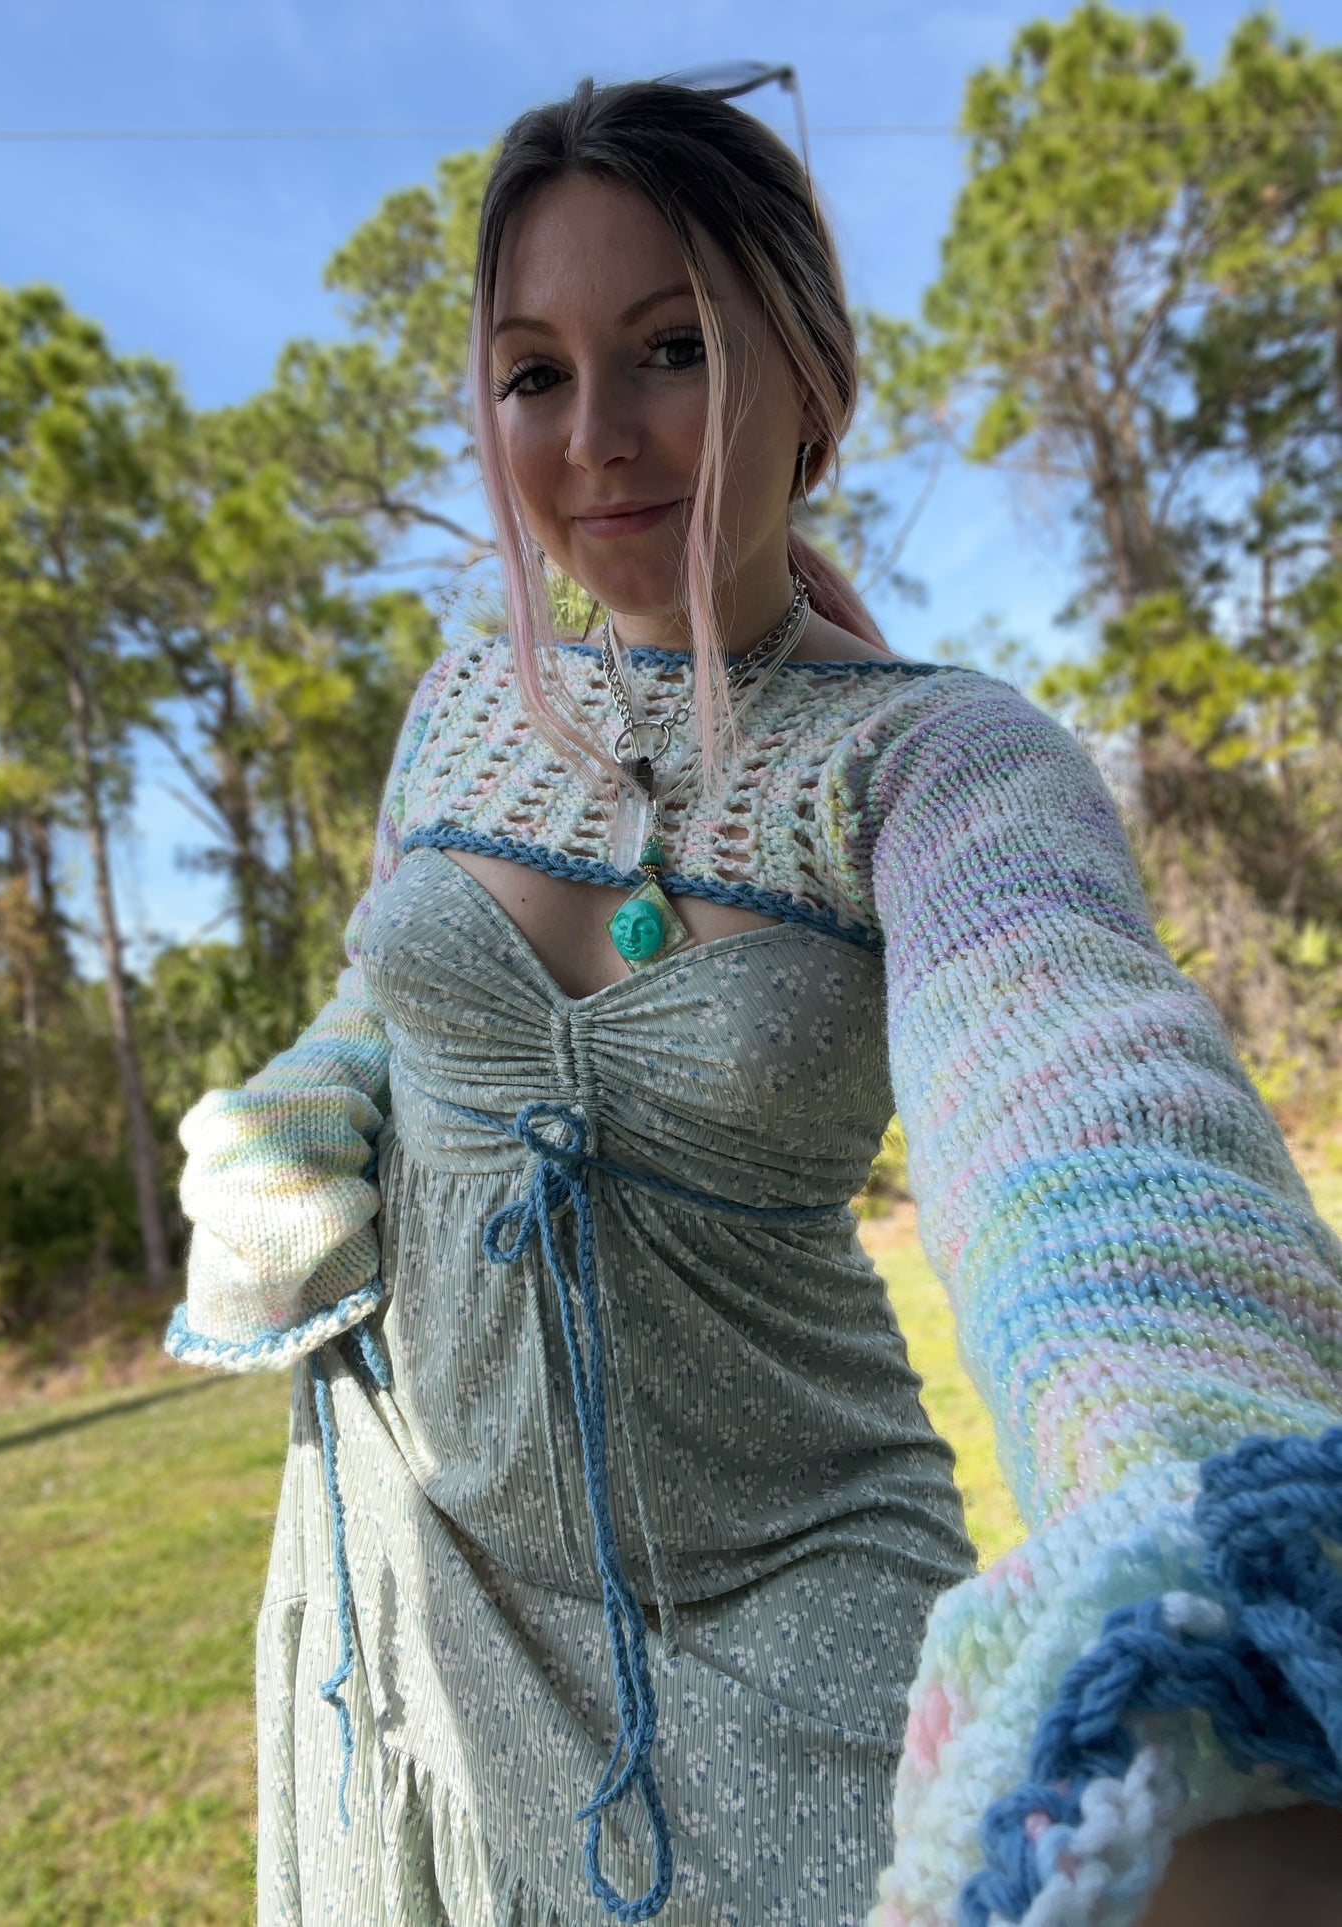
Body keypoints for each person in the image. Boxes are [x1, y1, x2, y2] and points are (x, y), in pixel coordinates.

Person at [163, 75, 1342, 1927]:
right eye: (533, 373)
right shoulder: (452, 711)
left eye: (673, 349)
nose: (595, 439)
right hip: (426, 1563)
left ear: (813, 374)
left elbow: (1081, 1104)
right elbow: (381, 989)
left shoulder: (934, 756)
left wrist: (1220, 1528)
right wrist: (303, 1104)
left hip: (802, 1606)